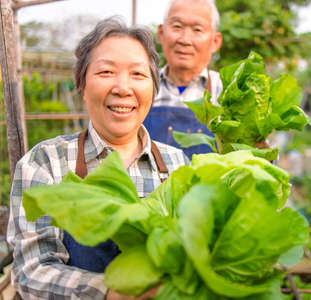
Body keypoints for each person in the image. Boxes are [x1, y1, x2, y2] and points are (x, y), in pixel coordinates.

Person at [7, 17, 188, 300]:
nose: (122, 87)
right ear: (82, 84)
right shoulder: (45, 162)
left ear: (152, 89)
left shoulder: (179, 165)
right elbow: (32, 270)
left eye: (138, 75)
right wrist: (112, 293)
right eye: (106, 72)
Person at [143, 0, 223, 159]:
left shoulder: (229, 92)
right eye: (177, 27)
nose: (185, 40)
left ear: (215, 42)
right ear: (161, 33)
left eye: (197, 30)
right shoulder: (141, 86)